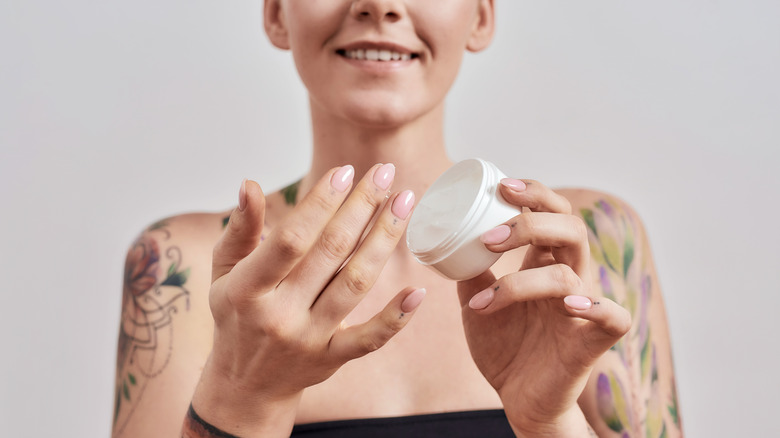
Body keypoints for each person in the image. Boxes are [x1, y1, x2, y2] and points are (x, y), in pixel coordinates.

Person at [113, 1, 683, 436]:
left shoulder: (584, 244)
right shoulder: (182, 268)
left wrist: (551, 422)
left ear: (480, 17)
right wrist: (243, 395)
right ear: (276, 13)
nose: (379, 4)